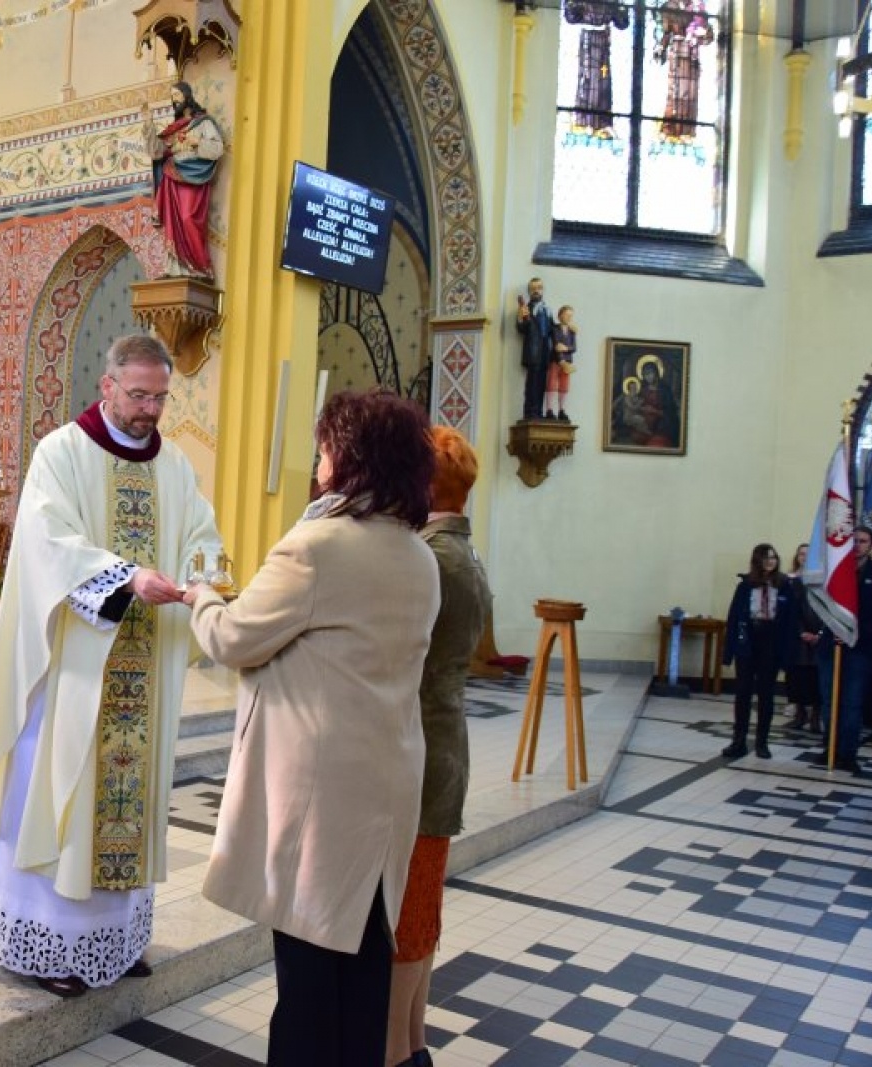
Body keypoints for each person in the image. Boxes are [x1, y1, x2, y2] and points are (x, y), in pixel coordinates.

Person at [0, 333, 221, 997]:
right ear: (107, 387)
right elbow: (47, 545)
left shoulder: (175, 468)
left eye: (160, 396)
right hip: (72, 669)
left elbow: (201, 537)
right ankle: (44, 943)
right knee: (57, 792)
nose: (150, 409)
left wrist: (199, 577)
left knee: (128, 797)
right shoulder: (63, 452)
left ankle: (115, 941)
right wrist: (125, 577)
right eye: (138, 395)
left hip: (142, 674)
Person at [183, 389, 438, 1066]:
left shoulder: (318, 544)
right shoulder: (420, 554)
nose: (317, 459)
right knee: (361, 972)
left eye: (325, 446)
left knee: (306, 985)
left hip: (322, 796)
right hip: (386, 786)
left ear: (349, 456)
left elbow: (235, 638)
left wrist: (200, 593)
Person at [383, 427, 490, 1067]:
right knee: (420, 912)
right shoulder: (461, 552)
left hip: (422, 751)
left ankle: (395, 1053)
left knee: (408, 919)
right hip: (445, 746)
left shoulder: (432, 558)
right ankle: (413, 1042)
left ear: (426, 485)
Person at [815, 525, 872, 775]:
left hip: (860, 649)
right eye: (854, 540)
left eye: (863, 541)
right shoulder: (836, 573)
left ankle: (848, 753)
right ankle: (830, 748)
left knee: (851, 703)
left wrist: (854, 633)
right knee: (829, 701)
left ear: (871, 546)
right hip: (831, 646)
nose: (857, 544)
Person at [721, 544, 797, 761]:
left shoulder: (784, 585)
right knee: (743, 691)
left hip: (771, 642)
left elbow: (790, 622)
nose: (770, 561)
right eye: (766, 558)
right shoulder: (745, 585)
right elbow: (734, 618)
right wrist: (729, 651)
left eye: (773, 557)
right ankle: (738, 740)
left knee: (766, 694)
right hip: (748, 640)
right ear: (757, 561)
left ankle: (762, 742)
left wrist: (787, 653)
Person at [144, 81, 225, 278]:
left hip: (193, 177)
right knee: (173, 222)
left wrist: (198, 142)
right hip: (172, 178)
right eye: (172, 97)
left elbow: (217, 149)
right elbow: (157, 152)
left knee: (188, 218)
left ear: (187, 96)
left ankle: (199, 267)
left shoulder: (203, 123)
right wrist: (148, 125)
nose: (174, 100)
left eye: (177, 95)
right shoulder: (173, 129)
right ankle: (176, 267)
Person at [565, 2, 630, 137]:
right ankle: (584, 120)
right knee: (587, 79)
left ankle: (603, 122)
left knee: (603, 81)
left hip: (603, 43)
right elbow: (571, 17)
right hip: (588, 41)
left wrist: (622, 9)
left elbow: (622, 23)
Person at [654, 0, 715, 143]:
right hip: (676, 53)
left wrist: (702, 34)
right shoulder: (669, 7)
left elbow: (709, 36)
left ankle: (686, 131)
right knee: (675, 91)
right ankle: (669, 128)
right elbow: (665, 33)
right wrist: (660, 48)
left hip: (692, 56)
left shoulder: (698, 9)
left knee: (690, 94)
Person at [784, 543, 823, 733]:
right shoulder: (790, 580)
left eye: (808, 554)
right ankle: (800, 714)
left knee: (815, 678)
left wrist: (819, 634)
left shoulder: (823, 580)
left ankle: (816, 716)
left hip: (819, 637)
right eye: (801, 554)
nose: (804, 558)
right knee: (797, 677)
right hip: (797, 638)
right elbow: (792, 611)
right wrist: (801, 631)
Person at [516, 277, 553, 421]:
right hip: (532, 351)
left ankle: (538, 411)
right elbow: (522, 328)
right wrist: (520, 318)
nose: (536, 290)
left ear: (542, 290)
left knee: (542, 384)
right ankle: (530, 412)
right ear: (529, 291)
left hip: (544, 352)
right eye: (533, 288)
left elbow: (551, 330)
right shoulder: (526, 308)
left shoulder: (547, 310)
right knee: (532, 384)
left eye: (539, 287)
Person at [545, 304, 577, 421]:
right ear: (560, 316)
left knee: (564, 386)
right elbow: (556, 346)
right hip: (556, 361)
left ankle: (562, 410)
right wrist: (560, 360)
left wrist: (566, 348)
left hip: (567, 362)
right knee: (552, 384)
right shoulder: (555, 329)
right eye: (566, 315)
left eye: (570, 316)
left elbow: (574, 347)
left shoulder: (572, 331)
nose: (569, 318)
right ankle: (549, 409)